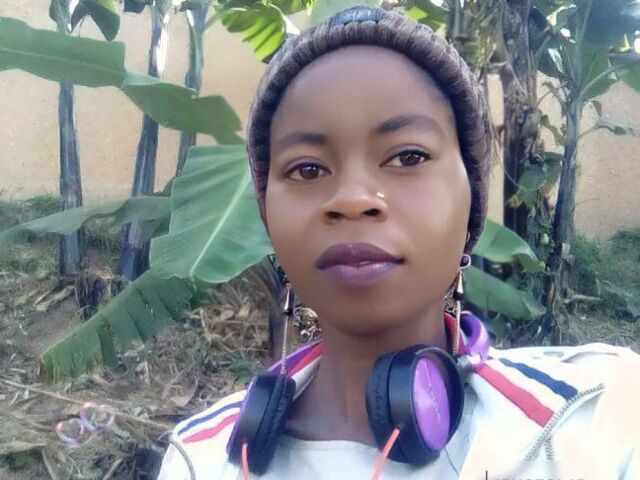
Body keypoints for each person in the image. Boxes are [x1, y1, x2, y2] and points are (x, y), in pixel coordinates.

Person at [158, 5, 640, 480]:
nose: (352, 200)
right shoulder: (200, 461)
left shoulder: (602, 415)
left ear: (471, 199)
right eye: (307, 169)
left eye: (408, 157)